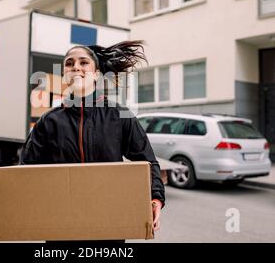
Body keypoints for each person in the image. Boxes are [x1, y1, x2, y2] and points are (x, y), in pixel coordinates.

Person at [20, 40, 166, 239]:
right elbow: (26, 171)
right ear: (64, 74)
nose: (76, 67)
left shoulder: (119, 115)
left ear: (97, 74)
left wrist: (155, 197)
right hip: (61, 225)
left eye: (83, 62)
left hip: (109, 222)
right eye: (69, 63)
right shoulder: (49, 121)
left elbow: (148, 161)